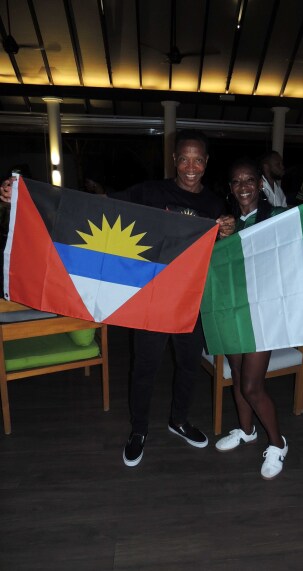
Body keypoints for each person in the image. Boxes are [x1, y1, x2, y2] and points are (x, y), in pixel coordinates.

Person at [0, 129, 236, 468]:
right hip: (150, 298)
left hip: (190, 301)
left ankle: (179, 420)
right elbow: (97, 206)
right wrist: (24, 196)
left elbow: (220, 253)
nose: (190, 167)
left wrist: (227, 231)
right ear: (174, 159)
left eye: (197, 160)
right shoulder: (150, 191)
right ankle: (139, 430)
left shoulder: (214, 203)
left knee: (188, 365)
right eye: (184, 159)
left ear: (206, 162)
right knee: (145, 368)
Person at [214, 157, 288, 480]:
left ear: (260, 184)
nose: (243, 186)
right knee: (236, 375)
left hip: (263, 313)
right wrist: (220, 237)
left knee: (251, 386)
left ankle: (278, 443)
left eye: (249, 180)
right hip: (233, 310)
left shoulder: (278, 217)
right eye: (236, 181)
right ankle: (246, 431)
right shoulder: (225, 223)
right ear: (230, 188)